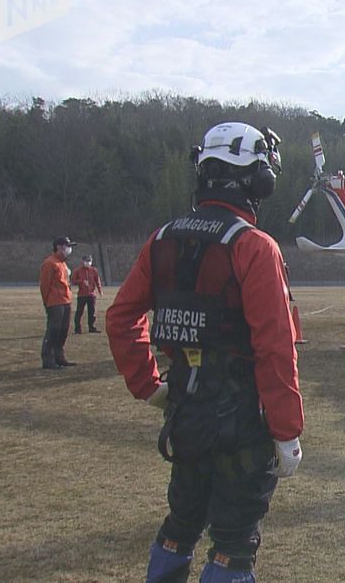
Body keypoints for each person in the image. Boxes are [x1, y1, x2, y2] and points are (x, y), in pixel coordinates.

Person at [107, 122, 303, 583]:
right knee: (233, 545)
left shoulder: (162, 239)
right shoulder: (254, 247)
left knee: (180, 527)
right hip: (241, 420)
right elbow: (274, 347)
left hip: (185, 412)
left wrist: (149, 386)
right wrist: (287, 430)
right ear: (256, 180)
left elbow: (121, 318)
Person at [40, 236, 77, 369]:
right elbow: (45, 285)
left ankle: (59, 357)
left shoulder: (62, 263)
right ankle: (48, 359)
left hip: (65, 300)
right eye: (68, 246)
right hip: (55, 302)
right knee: (53, 330)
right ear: (59, 247)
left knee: (63, 331)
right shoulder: (50, 263)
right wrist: (47, 302)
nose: (69, 249)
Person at [70, 254, 104, 333]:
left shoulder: (94, 270)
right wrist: (81, 281)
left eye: (89, 261)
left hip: (91, 295)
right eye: (86, 261)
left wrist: (100, 290)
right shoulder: (77, 270)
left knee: (92, 312)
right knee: (79, 311)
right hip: (82, 295)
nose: (88, 263)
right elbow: (73, 281)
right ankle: (77, 328)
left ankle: (91, 327)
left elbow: (97, 281)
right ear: (83, 261)